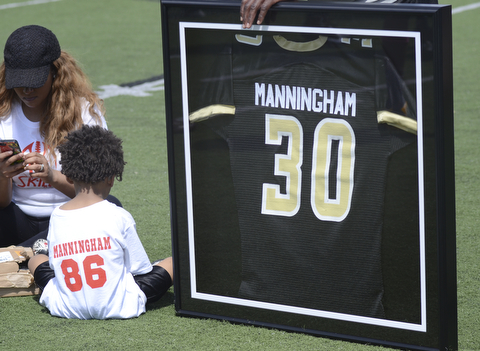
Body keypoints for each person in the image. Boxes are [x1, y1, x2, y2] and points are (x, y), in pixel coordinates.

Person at [28, 125, 173, 319]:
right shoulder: (119, 215)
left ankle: (41, 251)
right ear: (111, 178)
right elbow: (140, 270)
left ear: (68, 176)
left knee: (35, 260)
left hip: (67, 306)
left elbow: (56, 268)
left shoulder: (56, 215)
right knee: (175, 262)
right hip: (117, 304)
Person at [0, 25, 120, 248]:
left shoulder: (84, 113)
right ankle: (39, 253)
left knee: (111, 205)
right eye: (19, 81)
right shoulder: (3, 114)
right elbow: (3, 203)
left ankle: (23, 256)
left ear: (55, 73)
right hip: (17, 219)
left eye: (35, 80)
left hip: (69, 218)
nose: (26, 90)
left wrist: (52, 176)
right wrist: (2, 175)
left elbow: (100, 189)